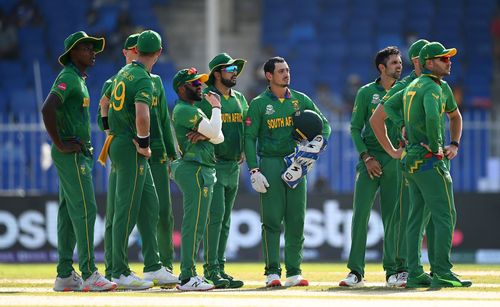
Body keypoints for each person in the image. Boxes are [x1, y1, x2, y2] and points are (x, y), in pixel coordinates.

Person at [374, 42, 470, 288]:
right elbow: (430, 115)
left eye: (448, 59)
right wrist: (437, 145)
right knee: (446, 214)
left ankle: (415, 272)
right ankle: (442, 271)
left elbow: (391, 107)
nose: (449, 63)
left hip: (410, 159)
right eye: (443, 59)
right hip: (429, 159)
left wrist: (404, 125)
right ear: (428, 62)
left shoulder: (412, 85)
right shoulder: (434, 88)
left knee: (415, 217)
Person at [97, 33, 178, 288]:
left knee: (150, 204)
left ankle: (153, 266)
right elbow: (143, 116)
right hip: (133, 146)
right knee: (126, 209)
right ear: (159, 51)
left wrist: (111, 130)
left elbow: (104, 103)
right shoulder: (143, 78)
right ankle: (118, 270)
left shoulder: (122, 75)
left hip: (124, 143)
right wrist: (143, 144)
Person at [244, 56, 331, 287]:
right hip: (270, 163)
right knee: (271, 220)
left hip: (297, 162)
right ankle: (272, 272)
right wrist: (254, 170)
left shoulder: (300, 100)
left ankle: (294, 271)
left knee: (297, 219)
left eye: (288, 70)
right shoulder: (259, 104)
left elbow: (325, 125)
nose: (286, 74)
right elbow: (249, 138)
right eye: (281, 71)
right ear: (269, 76)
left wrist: (317, 144)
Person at [41, 31, 116, 292]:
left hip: (75, 152)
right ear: (72, 53)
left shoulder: (78, 80)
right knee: (85, 209)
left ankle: (64, 275)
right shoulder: (68, 78)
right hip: (71, 152)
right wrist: (61, 143)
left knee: (67, 212)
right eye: (86, 48)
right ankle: (89, 273)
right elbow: (47, 108)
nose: (92, 52)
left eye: (93, 48)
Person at [339, 46, 403, 287]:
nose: (399, 65)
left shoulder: (404, 90)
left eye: (400, 62)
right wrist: (366, 157)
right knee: (360, 215)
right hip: (370, 159)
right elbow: (355, 128)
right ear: (382, 67)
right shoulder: (367, 92)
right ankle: (355, 272)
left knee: (393, 216)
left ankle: (393, 271)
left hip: (394, 158)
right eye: (394, 62)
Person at [368, 39, 430, 287]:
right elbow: (376, 120)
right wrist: (393, 151)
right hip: (409, 158)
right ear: (420, 61)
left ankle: (428, 267)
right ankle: (397, 267)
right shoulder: (404, 87)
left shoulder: (435, 85)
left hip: (430, 158)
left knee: (428, 215)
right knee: (403, 215)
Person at [194, 53, 248, 289]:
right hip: (213, 164)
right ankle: (211, 269)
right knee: (214, 219)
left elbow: (247, 126)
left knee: (225, 221)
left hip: (233, 166)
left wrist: (245, 149)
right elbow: (192, 124)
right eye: (229, 69)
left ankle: (221, 268)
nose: (234, 72)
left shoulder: (240, 98)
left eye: (236, 69)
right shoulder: (206, 99)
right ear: (217, 73)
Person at [171, 67, 224, 291]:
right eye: (194, 83)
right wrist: (217, 108)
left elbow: (218, 137)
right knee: (194, 223)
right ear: (182, 88)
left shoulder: (193, 109)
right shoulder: (184, 109)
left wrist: (207, 133)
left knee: (199, 224)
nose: (200, 86)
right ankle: (187, 276)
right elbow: (215, 132)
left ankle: (189, 274)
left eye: (200, 82)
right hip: (194, 168)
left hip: (201, 168)